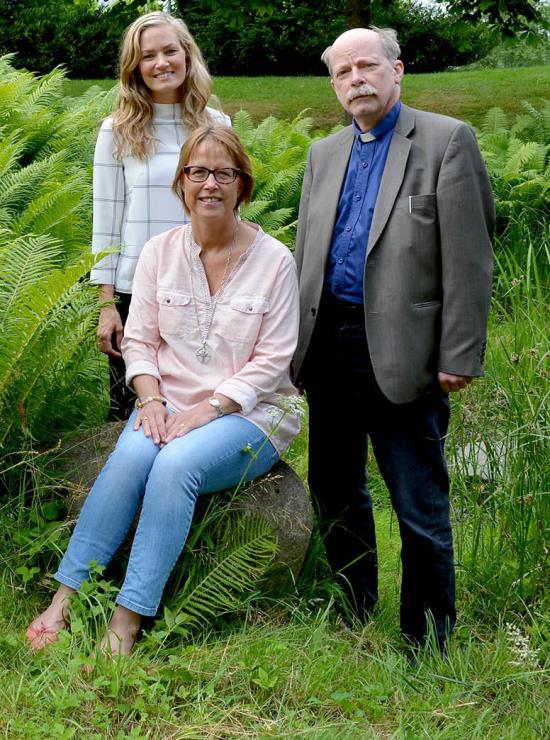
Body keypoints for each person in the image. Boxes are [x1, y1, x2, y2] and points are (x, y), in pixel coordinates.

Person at [26, 126, 300, 655]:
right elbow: (141, 342)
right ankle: (64, 600)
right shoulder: (158, 252)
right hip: (165, 400)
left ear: (242, 185)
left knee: (176, 466)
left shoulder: (276, 261)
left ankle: (126, 620)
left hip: (253, 412)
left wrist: (211, 408)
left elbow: (274, 360)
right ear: (182, 185)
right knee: (131, 457)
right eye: (198, 173)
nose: (210, 184)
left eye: (224, 173)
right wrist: (149, 398)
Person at [293, 27, 494, 653]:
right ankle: (355, 607)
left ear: (396, 70)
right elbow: (306, 254)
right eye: (343, 71)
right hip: (328, 345)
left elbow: (470, 256)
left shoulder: (445, 142)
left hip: (405, 349)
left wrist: (458, 353)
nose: (356, 79)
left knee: (418, 501)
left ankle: (428, 638)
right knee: (334, 485)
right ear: (334, 85)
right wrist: (293, 346)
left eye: (367, 66)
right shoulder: (323, 154)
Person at [91, 11, 230, 419]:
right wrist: (106, 304)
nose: (161, 63)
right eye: (148, 56)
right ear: (135, 66)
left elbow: (230, 210)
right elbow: (106, 220)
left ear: (187, 55)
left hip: (207, 288)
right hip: (136, 291)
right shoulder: (117, 129)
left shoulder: (217, 125)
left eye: (170, 51)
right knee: (131, 412)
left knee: (200, 406)